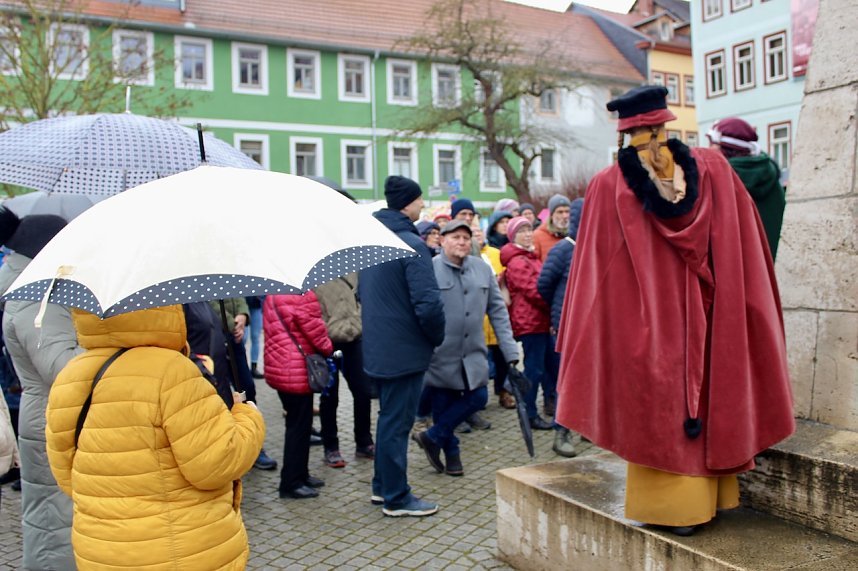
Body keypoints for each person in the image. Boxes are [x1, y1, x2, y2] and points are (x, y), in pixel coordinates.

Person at [554, 85, 794, 536]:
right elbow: (745, 246)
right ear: (666, 121)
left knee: (658, 408)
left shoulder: (608, 186)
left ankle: (674, 510)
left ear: (625, 131)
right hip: (713, 310)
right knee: (709, 392)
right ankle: (713, 497)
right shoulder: (715, 167)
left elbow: (595, 276)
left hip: (652, 323)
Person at [45, 304, 265, 569]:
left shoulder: (71, 375)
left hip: (102, 550)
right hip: (182, 550)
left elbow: (66, 475)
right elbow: (217, 462)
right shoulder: (173, 371)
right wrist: (247, 417)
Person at [360, 175, 445, 517]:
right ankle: (397, 497)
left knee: (388, 421)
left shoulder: (372, 241)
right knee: (397, 424)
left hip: (380, 347)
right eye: (420, 199)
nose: (423, 204)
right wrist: (436, 337)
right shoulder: (411, 244)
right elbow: (428, 304)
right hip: (404, 350)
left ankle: (383, 488)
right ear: (408, 203)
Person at [0, 215, 80, 570]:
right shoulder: (37, 299)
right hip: (50, 419)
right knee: (53, 522)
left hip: (52, 417)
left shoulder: (37, 290)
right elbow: (61, 366)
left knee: (56, 516)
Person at [412, 221, 519, 477]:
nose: (461, 242)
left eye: (465, 237)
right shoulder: (429, 269)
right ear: (442, 241)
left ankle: (431, 437)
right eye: (455, 237)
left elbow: (497, 311)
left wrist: (511, 351)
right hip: (440, 355)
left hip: (473, 353)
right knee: (442, 407)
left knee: (479, 398)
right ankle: (452, 455)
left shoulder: (482, 269)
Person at [264, 292, 333, 499]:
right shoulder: (303, 295)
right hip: (296, 368)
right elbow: (315, 330)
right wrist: (329, 348)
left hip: (279, 365)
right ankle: (291, 482)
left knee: (298, 424)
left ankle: (300, 474)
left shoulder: (272, 295)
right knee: (298, 427)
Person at [537, 197, 584, 457]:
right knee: (566, 382)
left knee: (590, 379)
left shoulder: (597, 246)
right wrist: (559, 316)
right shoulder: (563, 250)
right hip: (567, 326)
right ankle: (561, 432)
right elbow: (544, 285)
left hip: (591, 328)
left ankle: (588, 426)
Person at [315, 273, 375, 468]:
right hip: (327, 342)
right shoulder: (313, 275)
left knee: (363, 391)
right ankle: (331, 447)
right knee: (330, 397)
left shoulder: (353, 270)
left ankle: (364, 442)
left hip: (354, 338)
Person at [500, 216, 555, 430]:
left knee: (549, 367)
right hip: (530, 323)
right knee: (535, 370)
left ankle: (549, 411)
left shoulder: (531, 256)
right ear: (513, 236)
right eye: (522, 231)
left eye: (529, 229)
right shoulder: (517, 261)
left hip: (541, 321)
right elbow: (534, 291)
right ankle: (529, 414)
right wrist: (555, 304)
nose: (527, 233)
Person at [210, 297, 277, 470]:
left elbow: (238, 295)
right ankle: (229, 447)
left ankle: (253, 445)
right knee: (221, 397)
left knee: (247, 390)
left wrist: (242, 315)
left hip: (234, 340)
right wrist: (234, 324)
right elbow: (208, 304)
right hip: (213, 342)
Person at [707, 117, 787, 260]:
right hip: (772, 269)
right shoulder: (771, 177)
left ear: (725, 149)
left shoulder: (723, 183)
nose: (707, 149)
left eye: (712, 143)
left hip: (740, 272)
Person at [472, 220, 515, 410]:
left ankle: (504, 393)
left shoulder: (496, 254)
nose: (477, 235)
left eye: (479, 231)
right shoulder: (469, 258)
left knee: (502, 360)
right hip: (478, 323)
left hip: (496, 320)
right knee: (482, 364)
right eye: (472, 233)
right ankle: (477, 400)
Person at [532, 194, 571, 261]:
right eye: (560, 212)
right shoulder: (537, 236)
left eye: (567, 211)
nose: (565, 216)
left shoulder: (575, 235)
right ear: (551, 215)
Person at [245, 295, 266, 379]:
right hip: (244, 304)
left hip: (256, 305)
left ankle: (254, 367)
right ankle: (243, 367)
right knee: (243, 338)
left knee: (256, 337)